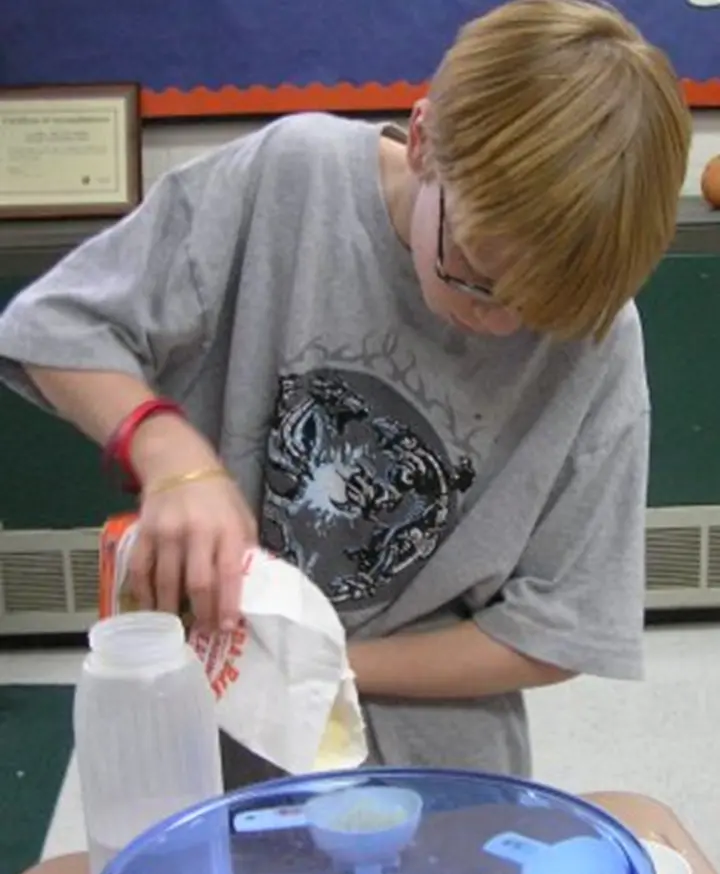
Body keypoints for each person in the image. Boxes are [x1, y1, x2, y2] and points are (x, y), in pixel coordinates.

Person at [0, 0, 690, 782]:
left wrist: (323, 666)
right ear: (425, 142)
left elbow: (560, 629)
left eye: (544, 317)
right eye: (479, 279)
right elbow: (53, 329)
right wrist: (171, 458)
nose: (501, 328)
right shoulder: (294, 177)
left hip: (431, 756)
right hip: (211, 719)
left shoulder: (601, 332)